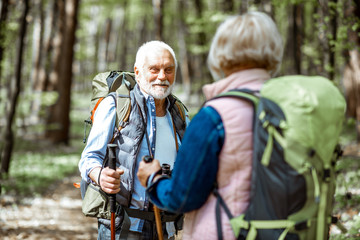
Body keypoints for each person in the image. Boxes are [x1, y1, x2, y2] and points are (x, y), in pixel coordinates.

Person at [137, 11, 284, 240]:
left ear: (221, 55)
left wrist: (154, 179)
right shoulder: (287, 106)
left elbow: (182, 197)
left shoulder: (214, 116)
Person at [79, 40, 189, 240]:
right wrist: (101, 175)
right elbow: (89, 158)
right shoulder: (115, 105)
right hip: (125, 226)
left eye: (169, 69)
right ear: (138, 73)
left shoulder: (180, 113)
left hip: (167, 228)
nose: (162, 76)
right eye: (154, 69)